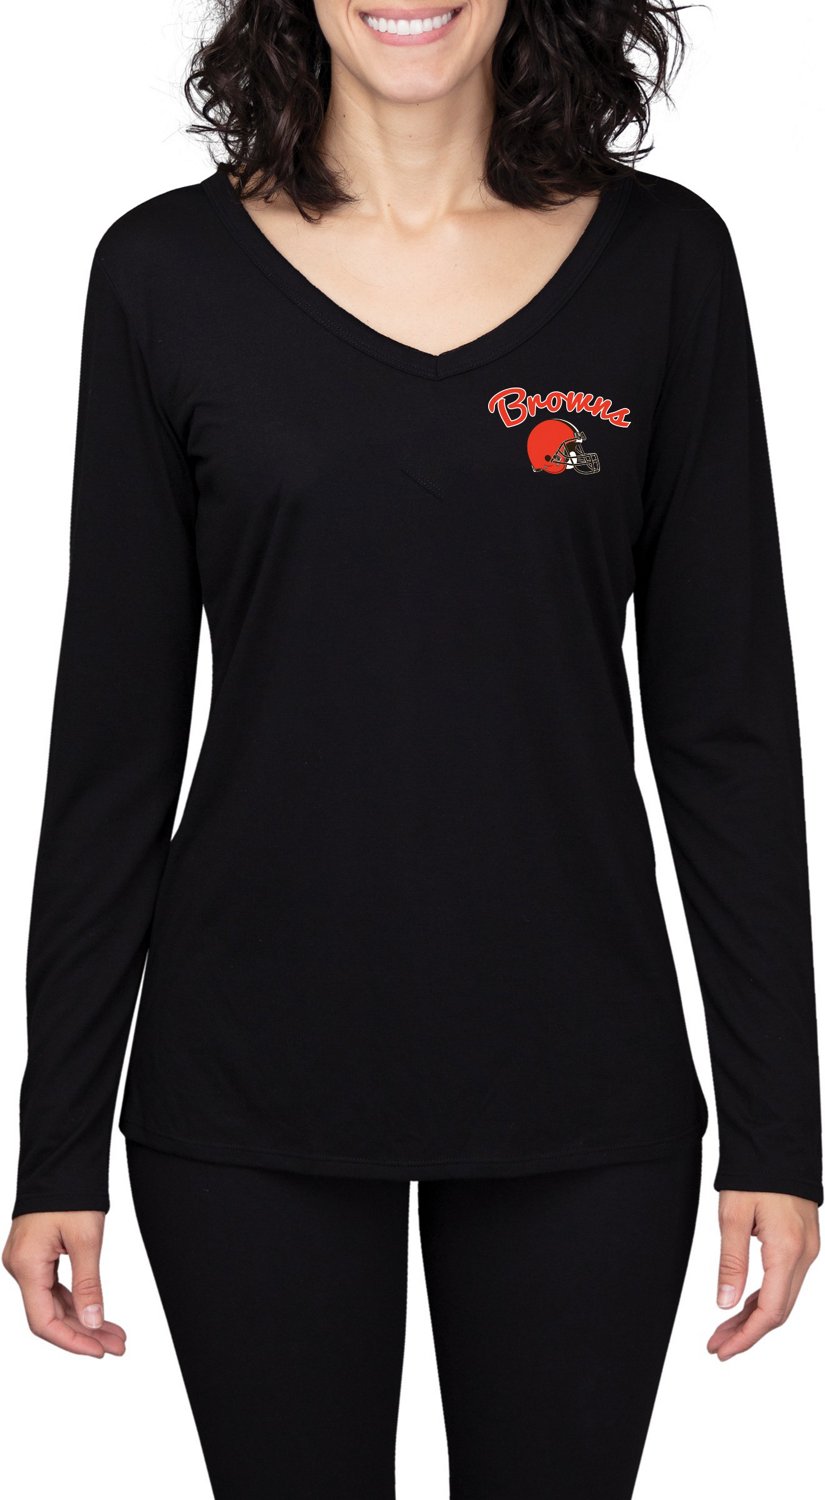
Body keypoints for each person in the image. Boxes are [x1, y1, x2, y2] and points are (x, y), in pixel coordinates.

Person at [4, 1, 822, 1495]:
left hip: (585, 1088)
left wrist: (781, 1129)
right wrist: (55, 1142)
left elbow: (728, 729)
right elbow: (113, 737)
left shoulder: (664, 264)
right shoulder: (163, 274)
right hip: (245, 1092)